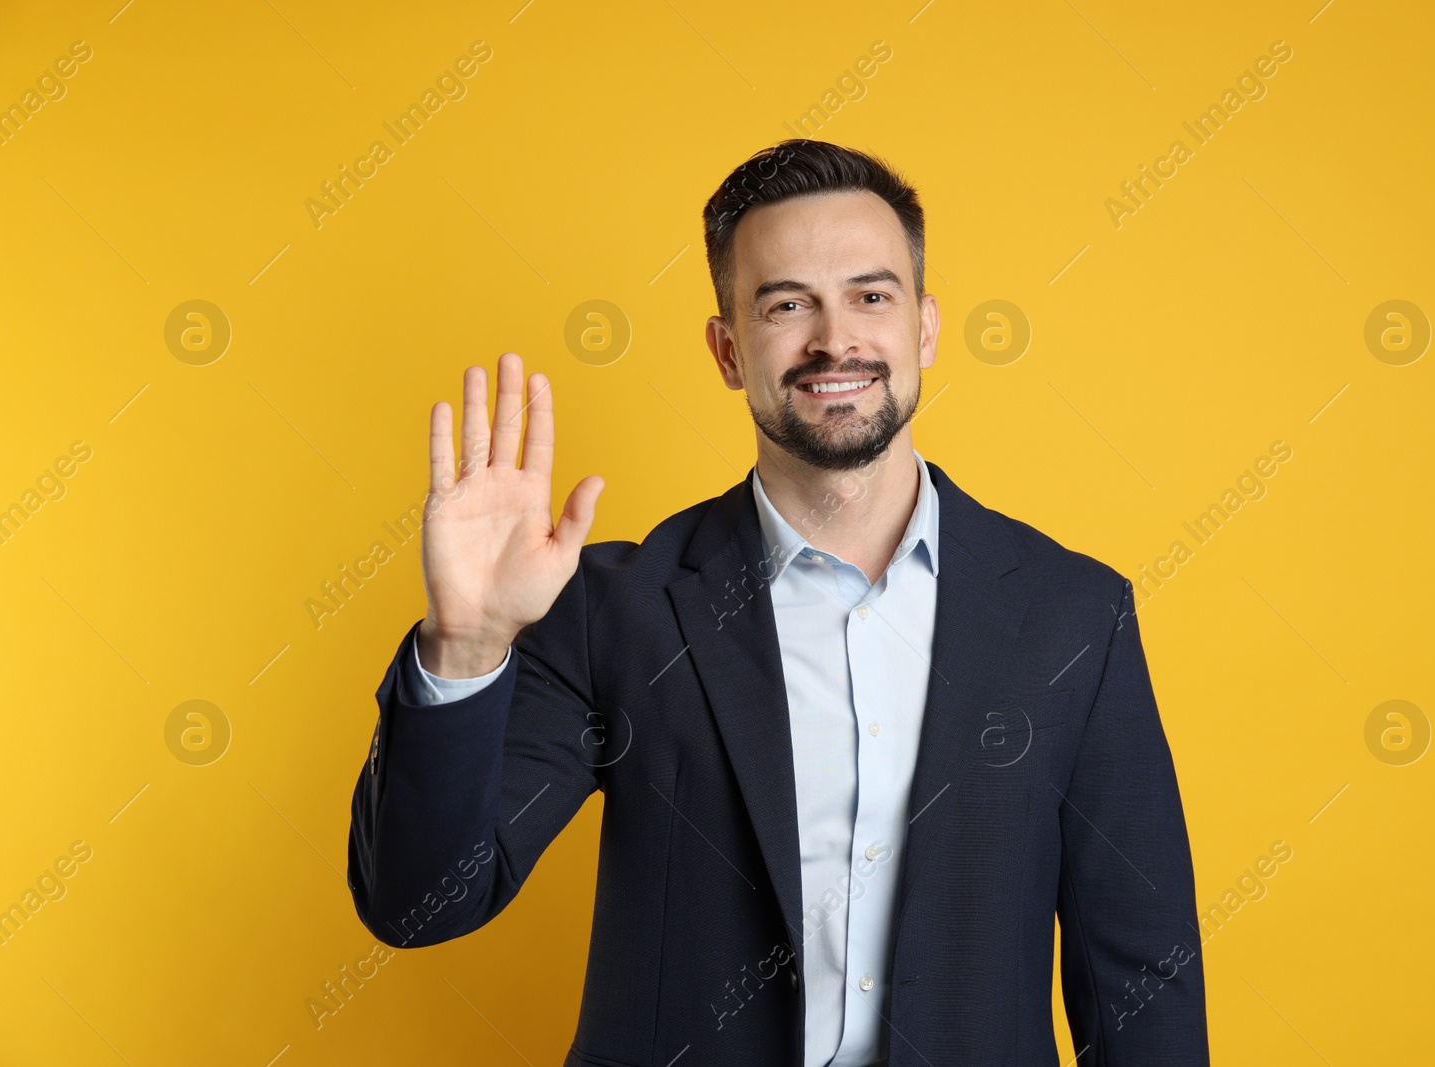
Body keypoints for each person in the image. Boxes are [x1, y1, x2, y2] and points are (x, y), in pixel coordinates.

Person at [346, 139, 1208, 1066]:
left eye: (871, 296)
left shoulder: (1073, 613)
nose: (835, 339)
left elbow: (1142, 990)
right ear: (727, 349)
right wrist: (466, 644)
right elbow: (417, 904)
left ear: (923, 327)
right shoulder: (612, 608)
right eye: (787, 304)